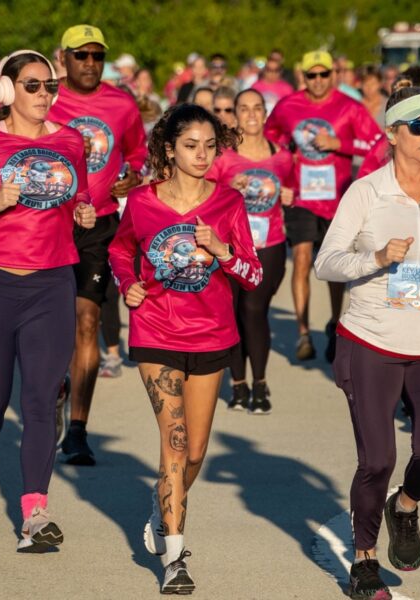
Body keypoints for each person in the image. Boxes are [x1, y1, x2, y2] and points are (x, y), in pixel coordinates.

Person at [315, 88, 420, 600]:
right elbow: (328, 262)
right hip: (372, 338)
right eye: (418, 126)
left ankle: (405, 507)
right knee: (377, 460)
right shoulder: (366, 193)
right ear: (392, 133)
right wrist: (377, 260)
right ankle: (364, 559)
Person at [0, 49, 96, 552]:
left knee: (41, 399)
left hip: (52, 284)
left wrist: (85, 210)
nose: (44, 95)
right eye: (32, 86)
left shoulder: (71, 140)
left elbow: (80, 194)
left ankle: (34, 512)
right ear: (6, 90)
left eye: (50, 86)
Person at [109, 103, 261, 594]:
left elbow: (253, 275)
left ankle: (161, 507)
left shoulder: (229, 204)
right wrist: (129, 283)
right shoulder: (142, 201)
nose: (202, 155)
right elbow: (119, 249)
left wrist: (223, 251)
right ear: (169, 149)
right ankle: (175, 558)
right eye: (191, 146)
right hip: (155, 331)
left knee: (194, 451)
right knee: (173, 443)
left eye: (210, 146)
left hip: (212, 335)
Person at [48, 25, 147, 466]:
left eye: (96, 56)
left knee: (87, 319)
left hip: (101, 223)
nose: (90, 63)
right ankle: (54, 389)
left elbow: (138, 152)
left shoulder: (121, 103)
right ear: (64, 58)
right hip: (47, 223)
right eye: (81, 55)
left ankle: (78, 430)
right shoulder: (46, 99)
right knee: (50, 326)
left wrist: (134, 175)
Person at [265, 50, 382, 363]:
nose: (318, 81)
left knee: (334, 266)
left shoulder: (349, 106)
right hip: (302, 195)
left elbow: (376, 143)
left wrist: (339, 145)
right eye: (311, 75)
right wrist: (284, 156)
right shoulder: (288, 105)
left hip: (339, 198)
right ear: (304, 76)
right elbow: (269, 137)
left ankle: (334, 322)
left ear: (333, 75)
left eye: (323, 74)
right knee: (302, 257)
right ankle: (304, 332)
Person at [208, 89, 293, 413]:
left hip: (268, 243)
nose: (252, 115)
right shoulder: (224, 156)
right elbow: (205, 194)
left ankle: (260, 383)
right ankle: (238, 384)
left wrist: (290, 197)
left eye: (257, 108)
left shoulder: (282, 156)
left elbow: (294, 191)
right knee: (232, 313)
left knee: (254, 311)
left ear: (265, 113)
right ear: (236, 115)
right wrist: (228, 189)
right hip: (231, 245)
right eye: (244, 109)